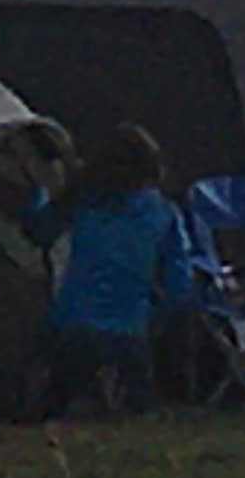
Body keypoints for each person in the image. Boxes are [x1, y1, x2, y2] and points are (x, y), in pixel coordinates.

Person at [39, 123, 191, 418]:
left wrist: (38, 195)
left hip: (74, 324)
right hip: (131, 331)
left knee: (52, 403)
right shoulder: (163, 211)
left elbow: (38, 231)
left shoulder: (81, 201)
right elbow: (179, 285)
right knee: (138, 406)